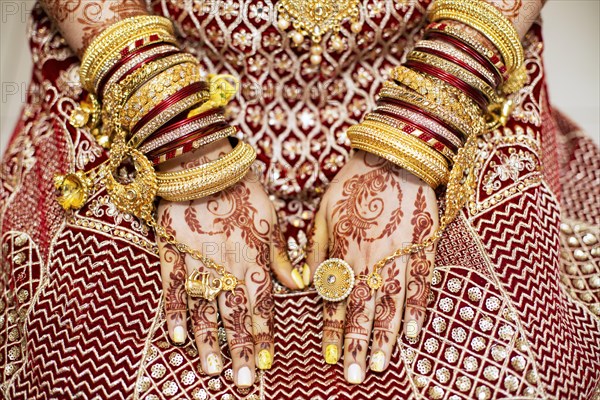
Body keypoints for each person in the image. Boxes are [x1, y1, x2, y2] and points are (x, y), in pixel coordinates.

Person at [0, 0, 598, 399]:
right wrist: (183, 143)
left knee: (495, 367)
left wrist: (413, 135)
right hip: (148, 69)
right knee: (103, 369)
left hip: (439, 70)